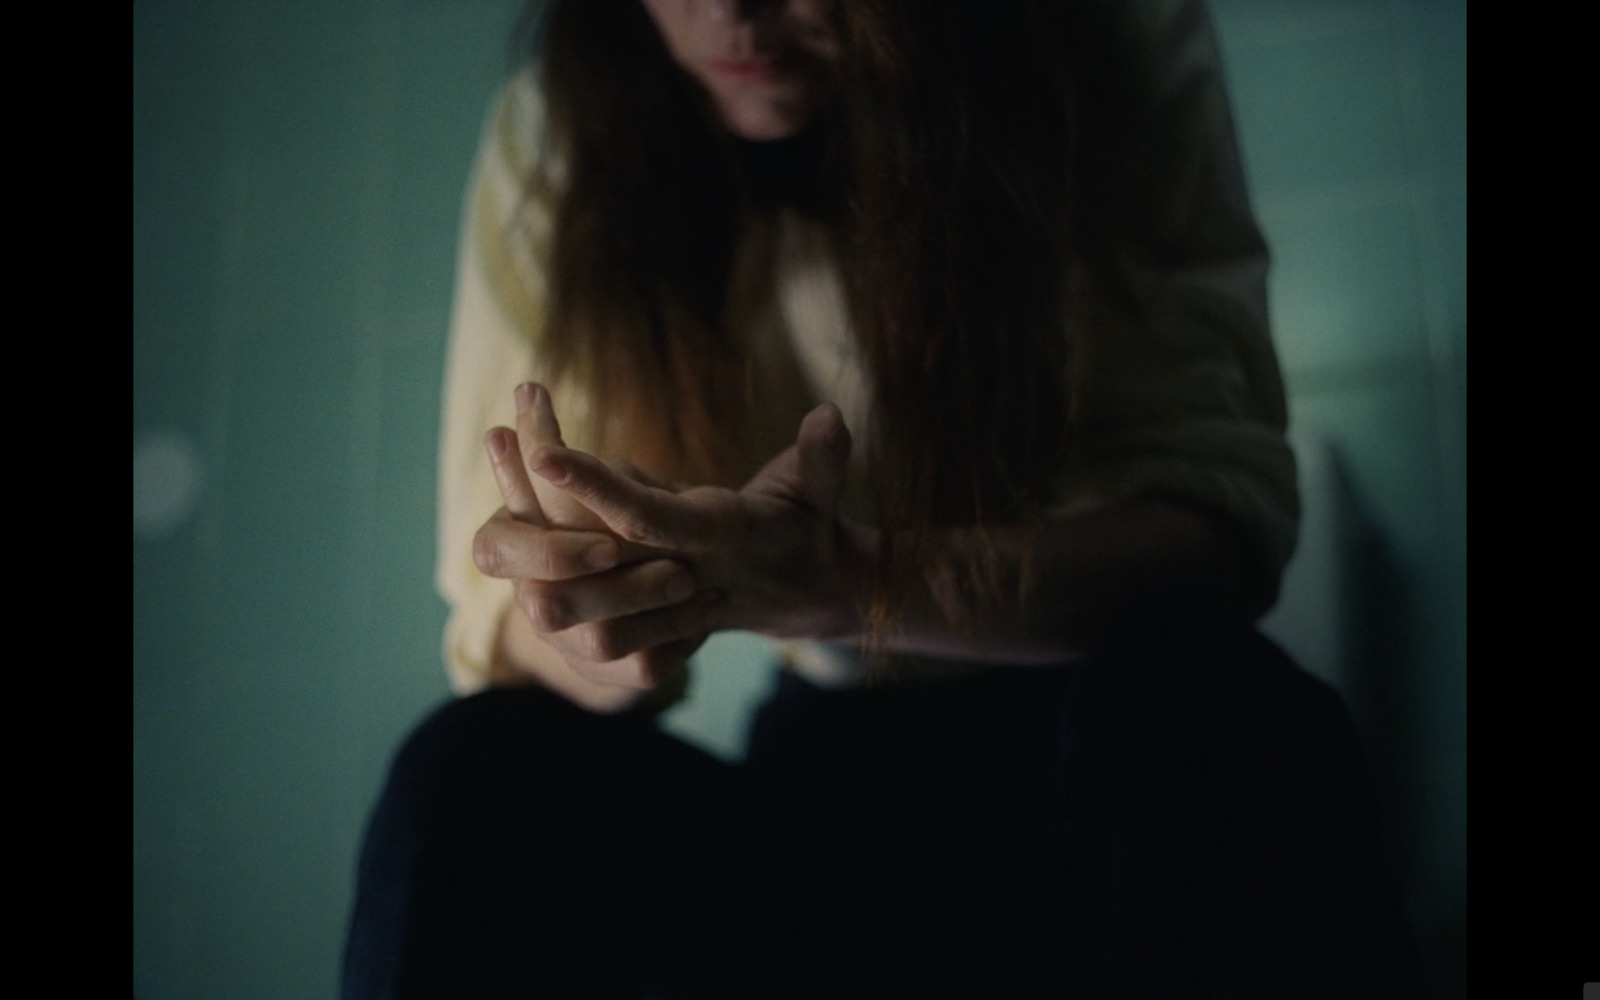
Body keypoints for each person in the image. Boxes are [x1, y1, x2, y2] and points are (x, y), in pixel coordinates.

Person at [344, 1, 1424, 996]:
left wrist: (848, 583)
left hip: (1105, 725)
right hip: (828, 784)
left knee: (1204, 707)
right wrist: (602, 616)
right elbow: (501, 628)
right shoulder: (561, 132)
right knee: (472, 773)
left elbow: (1221, 534)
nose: (730, 13)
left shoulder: (1100, 31)